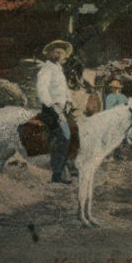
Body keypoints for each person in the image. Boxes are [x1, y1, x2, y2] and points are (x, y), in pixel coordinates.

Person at [36, 39, 74, 184]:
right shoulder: (46, 69)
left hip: (63, 109)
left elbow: (64, 89)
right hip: (50, 109)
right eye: (56, 52)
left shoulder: (59, 69)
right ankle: (58, 173)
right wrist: (53, 106)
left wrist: (69, 100)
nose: (59, 55)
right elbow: (42, 90)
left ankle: (68, 165)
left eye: (62, 53)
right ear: (50, 54)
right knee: (65, 136)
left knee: (76, 130)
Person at [105, 79, 128, 160]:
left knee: (121, 137)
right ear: (111, 88)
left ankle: (119, 154)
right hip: (113, 118)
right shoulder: (109, 97)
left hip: (121, 118)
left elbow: (127, 107)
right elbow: (108, 109)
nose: (115, 89)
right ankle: (110, 155)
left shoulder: (123, 97)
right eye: (113, 88)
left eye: (116, 88)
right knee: (112, 137)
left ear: (119, 88)